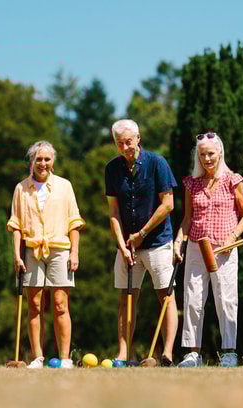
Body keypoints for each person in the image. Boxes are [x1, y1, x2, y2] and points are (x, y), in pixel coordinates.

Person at [105, 119, 178, 366]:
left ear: (138, 138)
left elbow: (168, 204)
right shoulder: (112, 169)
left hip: (157, 242)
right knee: (126, 299)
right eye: (119, 143)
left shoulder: (157, 163)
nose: (125, 147)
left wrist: (142, 234)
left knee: (165, 297)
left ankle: (167, 354)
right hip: (127, 247)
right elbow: (113, 213)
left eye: (128, 141)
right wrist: (123, 246)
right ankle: (124, 354)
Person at [7, 141, 84, 369]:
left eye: (47, 159)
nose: (42, 163)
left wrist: (75, 252)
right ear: (32, 162)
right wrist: (17, 255)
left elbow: (74, 222)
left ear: (53, 162)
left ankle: (65, 358)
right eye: (38, 159)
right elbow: (17, 224)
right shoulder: (21, 188)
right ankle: (37, 357)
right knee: (35, 304)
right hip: (31, 250)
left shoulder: (64, 186)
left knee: (60, 303)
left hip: (60, 249)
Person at [174, 131, 243, 368]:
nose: (206, 158)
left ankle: (229, 352)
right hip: (196, 246)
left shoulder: (233, 180)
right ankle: (193, 354)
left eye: (211, 154)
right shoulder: (191, 183)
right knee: (193, 299)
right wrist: (179, 241)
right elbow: (187, 218)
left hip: (224, 248)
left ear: (220, 153)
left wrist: (233, 236)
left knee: (226, 300)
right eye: (202, 154)